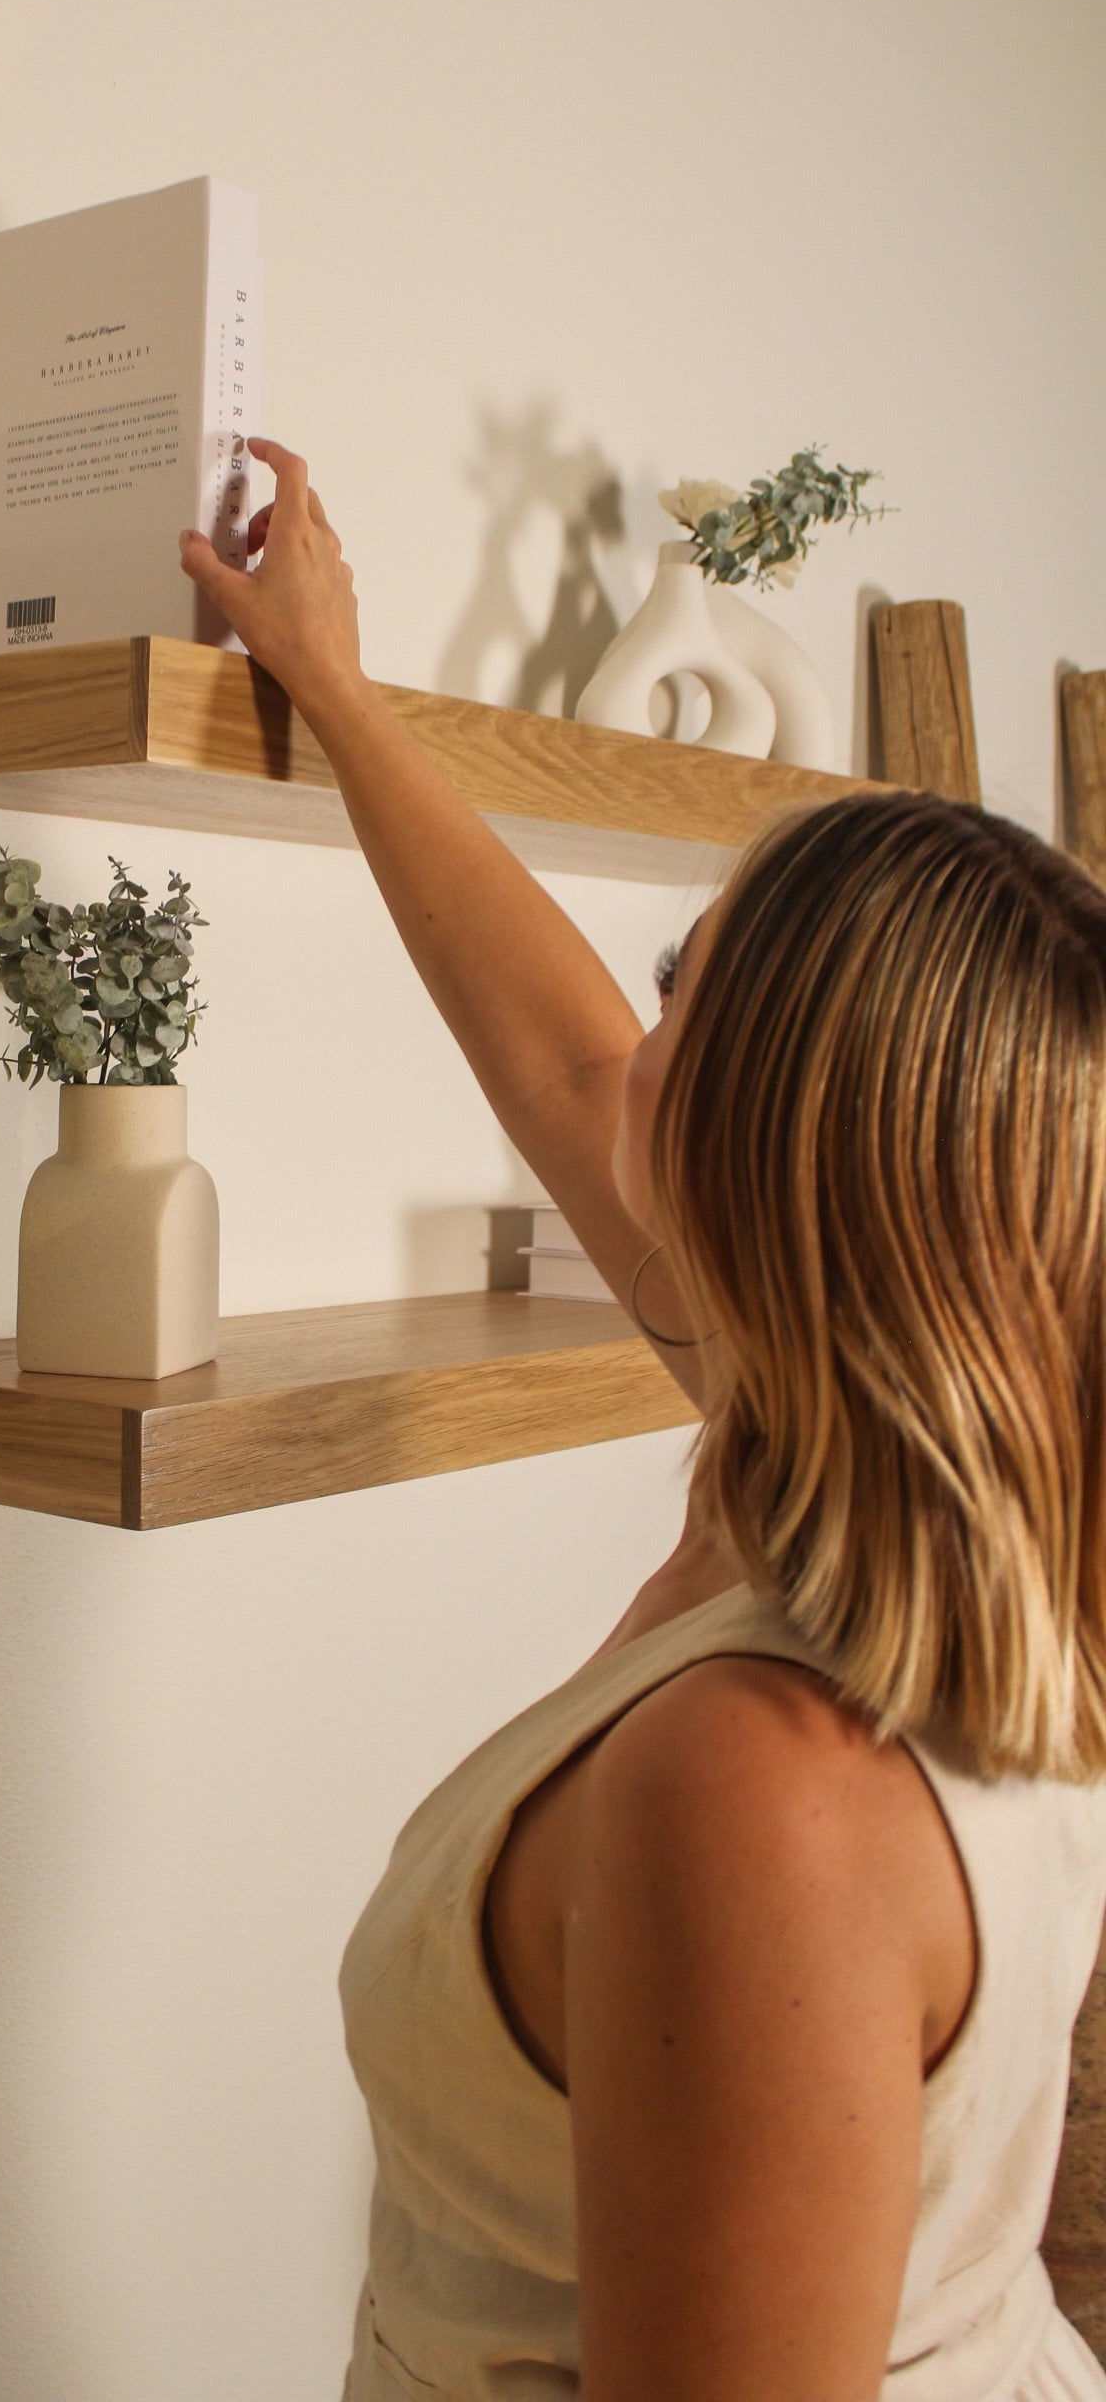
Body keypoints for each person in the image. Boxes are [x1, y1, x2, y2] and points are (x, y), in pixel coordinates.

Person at [180, 445, 1106, 2402]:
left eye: (689, 980)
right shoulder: (892, 1484)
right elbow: (563, 1051)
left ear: (778, 1150)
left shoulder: (765, 1783)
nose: (638, 1015)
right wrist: (337, 692)